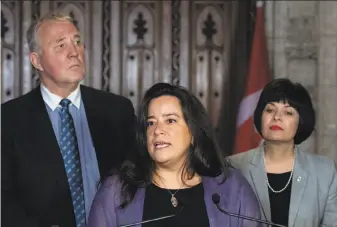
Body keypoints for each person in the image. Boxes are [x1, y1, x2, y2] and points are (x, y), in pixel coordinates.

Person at [1, 12, 136, 227]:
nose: (75, 52)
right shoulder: (8, 120)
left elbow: (138, 179)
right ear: (37, 61)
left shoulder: (118, 110)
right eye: (61, 45)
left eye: (77, 42)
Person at [87, 82, 262, 227]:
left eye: (170, 120)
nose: (157, 131)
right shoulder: (117, 191)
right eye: (151, 123)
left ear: (193, 133)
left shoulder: (231, 188)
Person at [229, 78, 337, 227]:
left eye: (288, 112)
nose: (277, 117)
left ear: (301, 121)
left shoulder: (325, 171)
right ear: (260, 116)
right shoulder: (233, 167)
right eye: (270, 110)